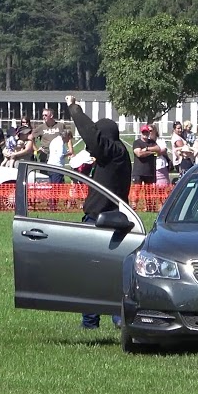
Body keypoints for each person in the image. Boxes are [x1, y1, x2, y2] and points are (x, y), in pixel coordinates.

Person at [66, 95, 130, 330]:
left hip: (101, 219)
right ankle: (117, 317)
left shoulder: (114, 151)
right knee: (112, 270)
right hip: (112, 218)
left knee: (91, 271)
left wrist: (75, 109)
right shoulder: (117, 155)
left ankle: (91, 321)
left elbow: (91, 135)